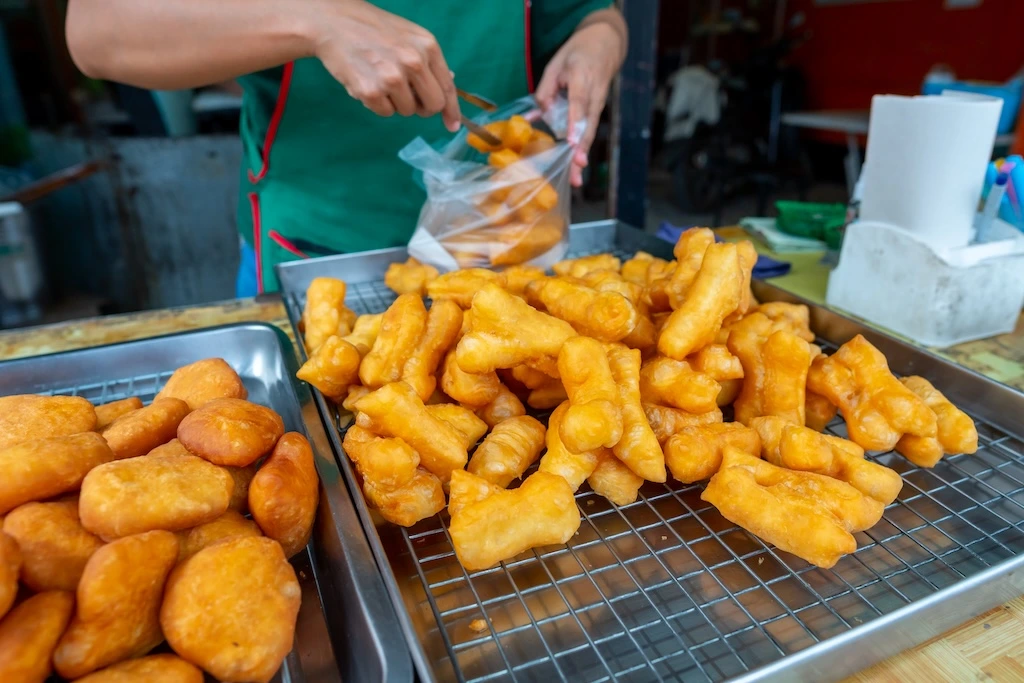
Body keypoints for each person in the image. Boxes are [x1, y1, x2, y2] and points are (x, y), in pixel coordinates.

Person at [66, 0, 627, 294]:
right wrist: (314, 19)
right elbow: (100, 29)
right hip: (315, 253)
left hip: (508, 246)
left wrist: (598, 41)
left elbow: (591, 13)